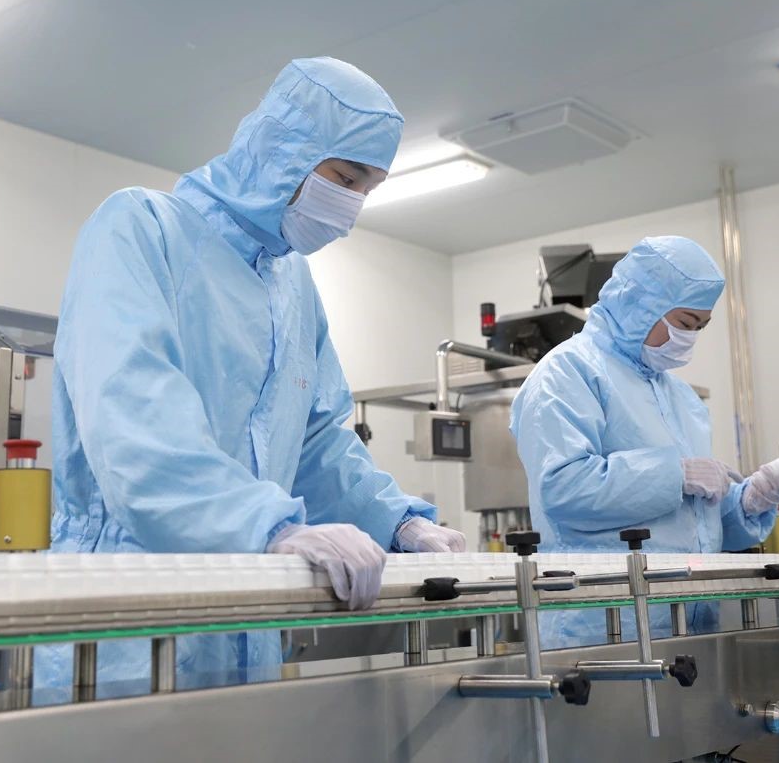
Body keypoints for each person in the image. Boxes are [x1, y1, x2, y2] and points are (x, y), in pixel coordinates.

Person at [35, 57, 465, 699]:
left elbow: (317, 442)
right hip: (127, 625)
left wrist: (399, 523)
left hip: (249, 620)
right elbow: (135, 427)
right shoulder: (141, 226)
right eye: (346, 177)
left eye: (368, 189)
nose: (351, 206)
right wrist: (271, 527)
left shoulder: (293, 285)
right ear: (285, 150)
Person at [509, 235, 779, 648]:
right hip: (604, 626)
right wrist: (675, 474)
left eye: (700, 328)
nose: (689, 338)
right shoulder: (567, 373)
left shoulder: (680, 397)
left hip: (690, 622)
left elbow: (694, 526)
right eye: (684, 323)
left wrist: (748, 502)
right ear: (640, 303)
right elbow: (563, 488)